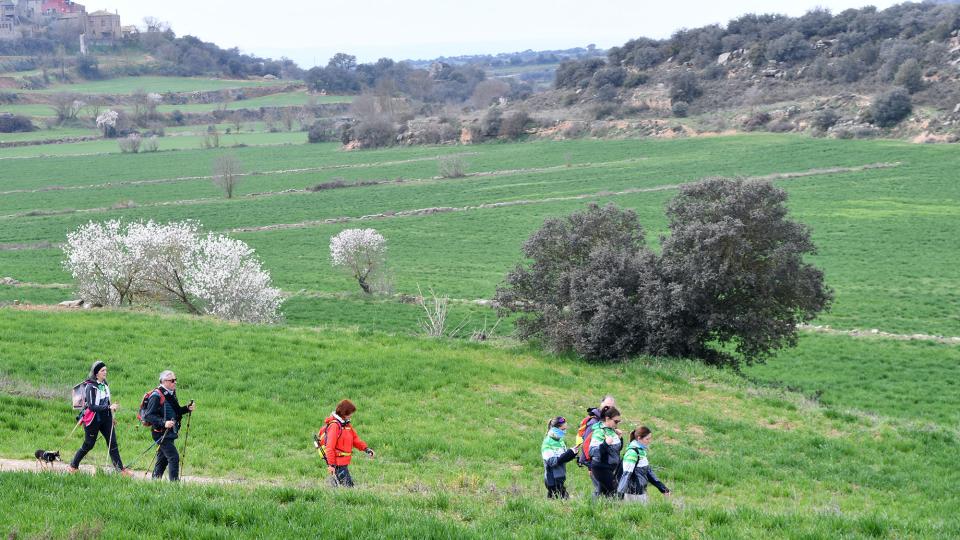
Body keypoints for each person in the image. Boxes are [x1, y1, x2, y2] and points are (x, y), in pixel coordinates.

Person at [68, 361, 132, 476]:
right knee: (89, 444)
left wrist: (111, 414)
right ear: (96, 373)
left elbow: (107, 401)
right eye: (103, 370)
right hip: (93, 419)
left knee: (113, 443)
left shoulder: (105, 385)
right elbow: (92, 406)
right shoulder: (91, 386)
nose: (105, 372)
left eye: (106, 370)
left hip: (106, 418)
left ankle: (120, 470)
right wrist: (109, 407)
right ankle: (73, 465)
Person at [142, 370, 195, 482]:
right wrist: (163, 423)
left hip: (169, 433)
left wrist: (187, 408)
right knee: (173, 457)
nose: (175, 382)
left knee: (163, 459)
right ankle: (175, 485)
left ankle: (155, 481)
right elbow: (148, 415)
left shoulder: (171, 393)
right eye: (172, 380)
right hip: (160, 433)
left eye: (175, 380)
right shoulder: (156, 396)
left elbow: (176, 411)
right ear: (164, 381)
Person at [321, 399, 374, 487]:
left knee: (343, 488)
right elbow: (329, 447)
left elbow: (355, 439)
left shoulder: (346, 425)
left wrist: (366, 449)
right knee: (348, 488)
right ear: (344, 413)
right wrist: (331, 465)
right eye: (350, 413)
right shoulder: (334, 426)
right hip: (337, 464)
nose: (351, 415)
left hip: (343, 463)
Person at [618, 426, 671, 503]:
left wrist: (663, 489)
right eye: (647, 439)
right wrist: (619, 496)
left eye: (650, 438)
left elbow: (649, 473)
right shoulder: (632, 453)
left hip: (641, 492)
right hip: (633, 494)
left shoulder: (641, 452)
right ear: (639, 438)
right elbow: (626, 475)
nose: (649, 441)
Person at [576, 395, 616, 495]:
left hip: (605, 463)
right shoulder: (594, 422)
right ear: (601, 405)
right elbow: (586, 445)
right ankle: (593, 508)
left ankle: (601, 508)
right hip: (595, 464)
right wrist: (590, 466)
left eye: (611, 407)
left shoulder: (606, 422)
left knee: (604, 490)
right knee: (601, 490)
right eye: (606, 406)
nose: (608, 409)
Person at [588, 406, 623, 498]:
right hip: (601, 468)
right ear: (607, 419)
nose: (617, 424)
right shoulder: (599, 432)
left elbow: (616, 450)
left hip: (610, 467)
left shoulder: (612, 431)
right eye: (616, 421)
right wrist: (605, 444)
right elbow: (592, 452)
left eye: (619, 422)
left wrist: (620, 438)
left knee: (603, 494)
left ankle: (594, 509)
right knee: (615, 493)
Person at [541, 416, 578, 499]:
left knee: (553, 503)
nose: (564, 432)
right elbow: (552, 462)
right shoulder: (547, 443)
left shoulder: (560, 441)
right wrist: (569, 453)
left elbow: (563, 458)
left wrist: (573, 454)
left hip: (560, 477)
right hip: (552, 480)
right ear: (555, 429)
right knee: (564, 501)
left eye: (565, 429)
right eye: (562, 429)